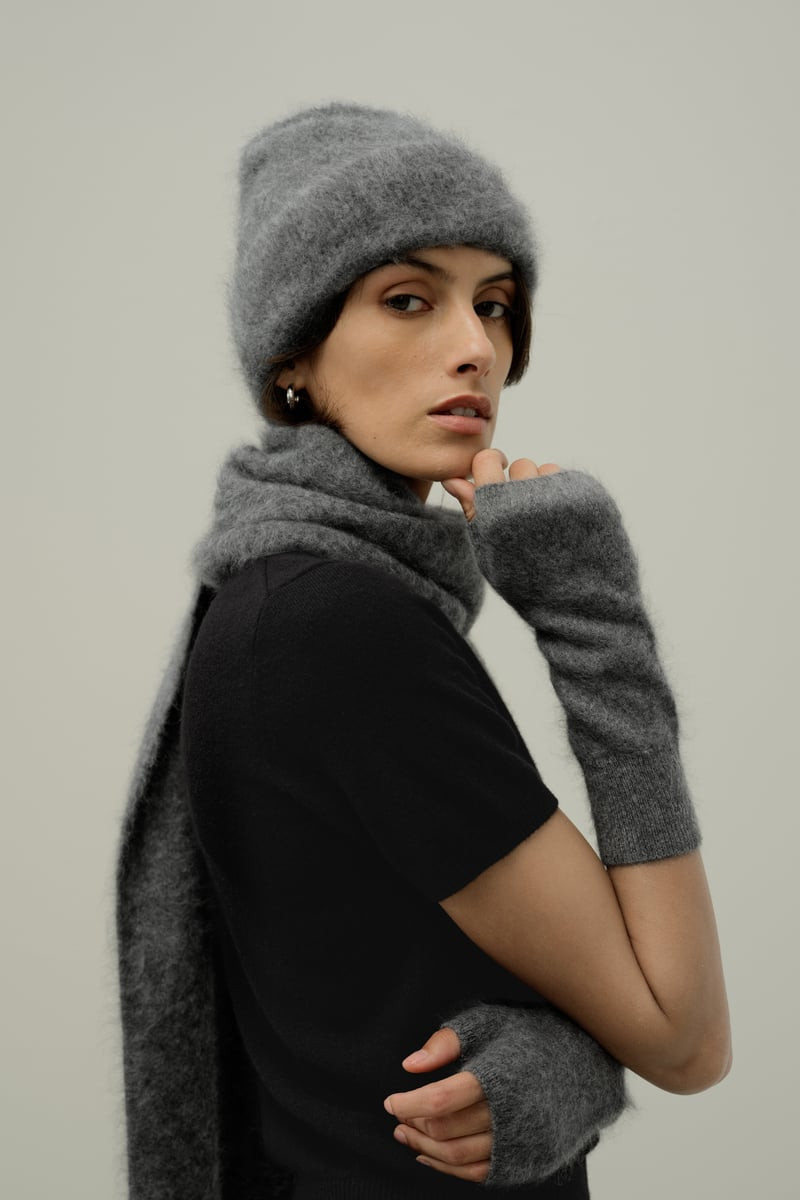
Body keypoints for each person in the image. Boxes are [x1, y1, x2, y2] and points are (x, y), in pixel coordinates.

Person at [116, 102, 731, 1200]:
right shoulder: (336, 629)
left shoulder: (276, 596)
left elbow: (350, 1000)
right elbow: (686, 1036)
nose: (475, 348)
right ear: (294, 353)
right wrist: (596, 621)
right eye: (408, 299)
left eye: (494, 305)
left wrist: (564, 1060)